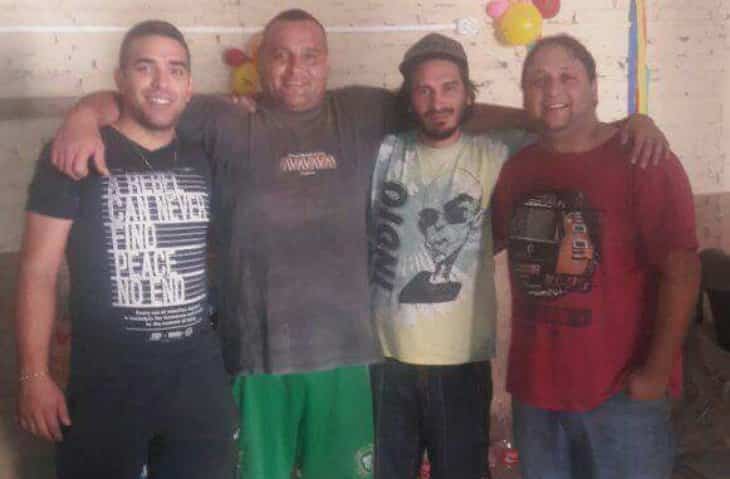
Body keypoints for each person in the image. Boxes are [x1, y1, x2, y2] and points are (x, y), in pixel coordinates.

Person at [48, 10, 670, 479]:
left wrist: (596, 122)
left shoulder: (363, 111)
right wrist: (82, 114)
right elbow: (145, 99)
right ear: (262, 62)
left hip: (349, 362)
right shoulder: (226, 117)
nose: (296, 69)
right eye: (281, 56)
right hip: (256, 363)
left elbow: (459, 110)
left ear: (328, 61)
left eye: (310, 55)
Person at [14, 20, 236, 479]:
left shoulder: (204, 156)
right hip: (106, 382)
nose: (161, 83)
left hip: (197, 381)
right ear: (120, 78)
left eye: (175, 70)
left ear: (189, 86)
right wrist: (34, 375)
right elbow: (38, 271)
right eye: (144, 67)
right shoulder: (73, 153)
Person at [491, 34, 700, 479]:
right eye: (537, 80)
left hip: (620, 395)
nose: (552, 90)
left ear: (595, 88)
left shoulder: (644, 160)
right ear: (524, 94)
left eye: (567, 77)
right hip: (536, 394)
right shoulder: (516, 170)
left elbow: (682, 272)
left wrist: (656, 373)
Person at [369, 33, 515, 479]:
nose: (438, 102)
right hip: (386, 360)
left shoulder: (496, 155)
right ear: (409, 99)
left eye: (449, 87)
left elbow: (560, 128)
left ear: (468, 94)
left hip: (462, 363)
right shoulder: (382, 152)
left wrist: (636, 123)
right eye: (424, 90)